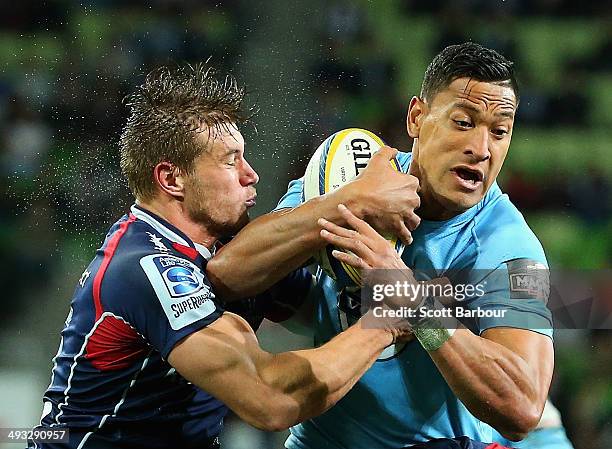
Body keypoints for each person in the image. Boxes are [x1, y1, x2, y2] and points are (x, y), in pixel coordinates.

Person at [28, 63, 422, 449]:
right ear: (172, 179)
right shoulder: (145, 268)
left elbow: (325, 309)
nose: (252, 175)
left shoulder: (226, 251)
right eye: (231, 160)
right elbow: (269, 400)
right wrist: (384, 324)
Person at [207, 42, 555, 448]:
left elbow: (524, 409)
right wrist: (344, 204)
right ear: (417, 118)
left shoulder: (513, 250)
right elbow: (228, 273)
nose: (481, 149)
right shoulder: (350, 174)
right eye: (463, 122)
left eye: (499, 132)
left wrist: (416, 304)